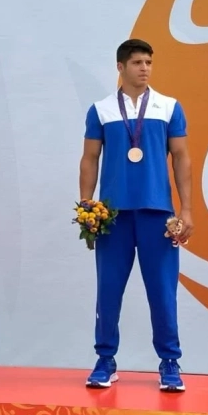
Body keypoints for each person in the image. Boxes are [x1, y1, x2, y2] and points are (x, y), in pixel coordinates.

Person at [79, 38, 193, 392]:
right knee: (108, 291)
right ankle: (105, 360)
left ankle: (170, 362)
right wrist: (86, 205)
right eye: (137, 63)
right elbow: (90, 158)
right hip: (111, 216)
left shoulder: (168, 107)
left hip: (158, 215)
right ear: (121, 67)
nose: (145, 68)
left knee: (162, 292)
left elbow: (182, 157)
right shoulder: (101, 110)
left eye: (149, 62)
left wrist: (186, 209)